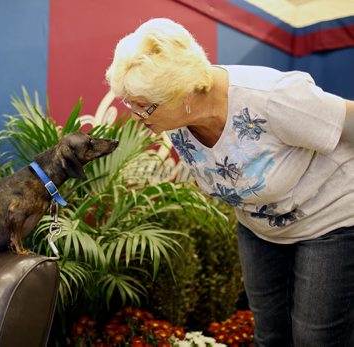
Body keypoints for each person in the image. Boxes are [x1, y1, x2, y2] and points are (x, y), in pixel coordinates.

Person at [105, 17, 354, 346]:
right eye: (130, 103)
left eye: (143, 106)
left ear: (182, 94)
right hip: (259, 228)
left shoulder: (271, 96)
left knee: (315, 338)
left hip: (330, 219)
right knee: (269, 335)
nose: (136, 115)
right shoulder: (177, 122)